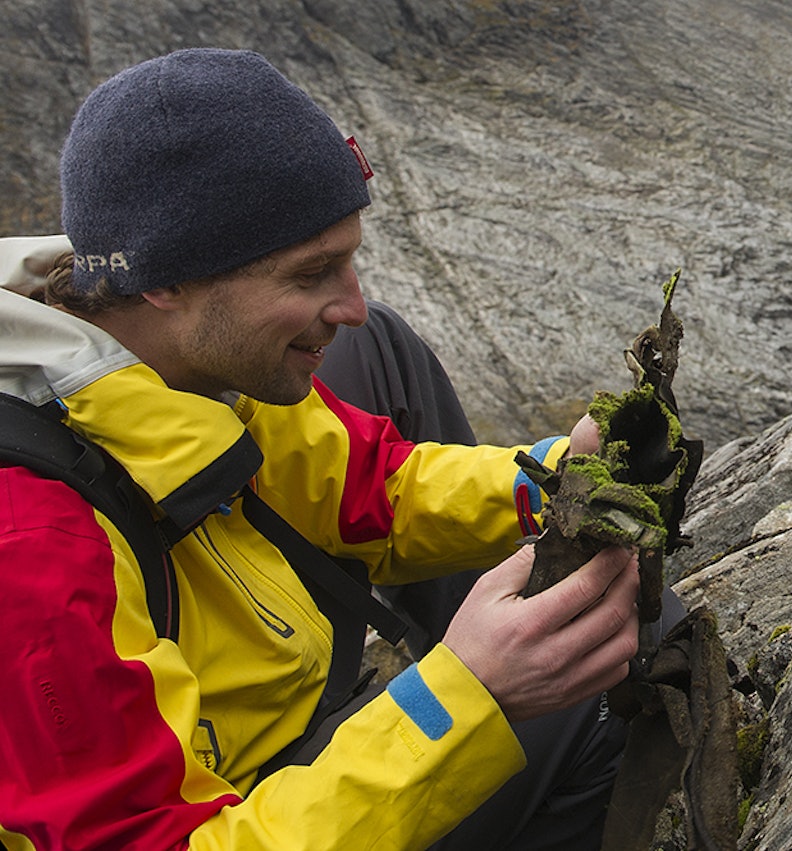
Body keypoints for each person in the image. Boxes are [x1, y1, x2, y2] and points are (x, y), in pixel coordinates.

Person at [0, 48, 643, 850]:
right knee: (609, 671)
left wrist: (556, 480)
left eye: (349, 260)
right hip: (227, 815)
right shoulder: (32, 548)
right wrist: (468, 698)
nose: (353, 304)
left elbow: (368, 486)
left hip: (274, 757)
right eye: (312, 274)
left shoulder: (185, 368)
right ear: (165, 281)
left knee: (381, 347)